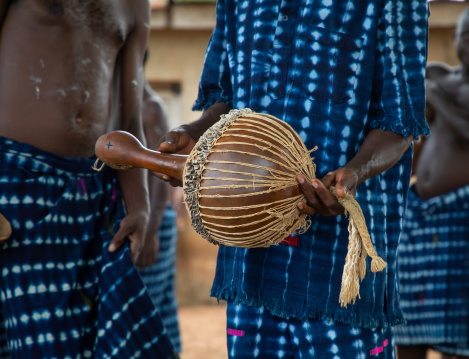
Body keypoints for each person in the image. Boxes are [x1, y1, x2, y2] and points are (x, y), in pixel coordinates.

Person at [156, 1, 430, 358]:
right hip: (251, 258)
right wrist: (195, 132)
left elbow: (400, 122)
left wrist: (354, 173)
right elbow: (225, 99)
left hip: (338, 270)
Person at [0, 1, 177, 358]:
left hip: (92, 192)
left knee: (110, 342)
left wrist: (139, 205)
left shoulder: (135, 5)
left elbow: (128, 116)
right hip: (13, 183)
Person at [394, 4, 469, 359]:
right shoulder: (437, 74)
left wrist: (435, 94)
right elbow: (412, 132)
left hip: (464, 214)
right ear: (455, 37)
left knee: (458, 323)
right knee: (406, 319)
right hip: (417, 213)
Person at [138, 51, 182, 353]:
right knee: (158, 304)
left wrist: (150, 230)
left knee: (148, 307)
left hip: (154, 219)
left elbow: (158, 174)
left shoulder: (149, 107)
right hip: (147, 218)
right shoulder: (123, 105)